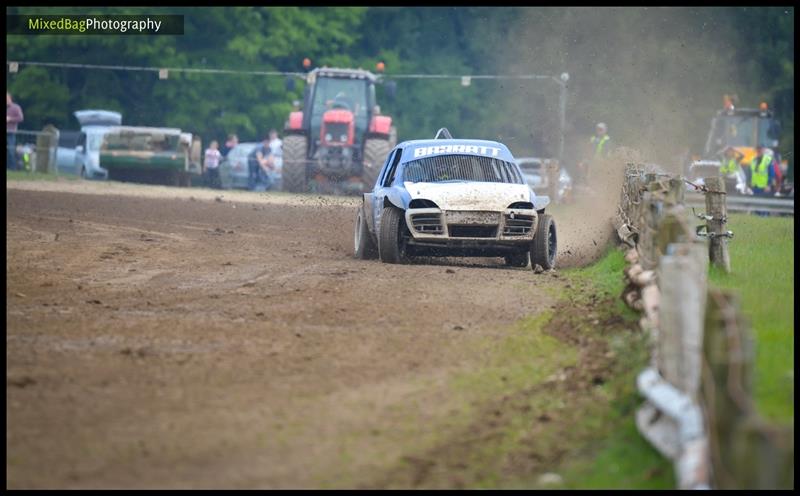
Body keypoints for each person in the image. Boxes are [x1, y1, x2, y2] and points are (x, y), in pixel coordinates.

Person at [7, 92, 24, 170]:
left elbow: (20, 118)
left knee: (11, 150)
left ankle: (12, 168)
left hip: (10, 132)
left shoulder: (16, 107)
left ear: (10, 98)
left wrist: (10, 119)